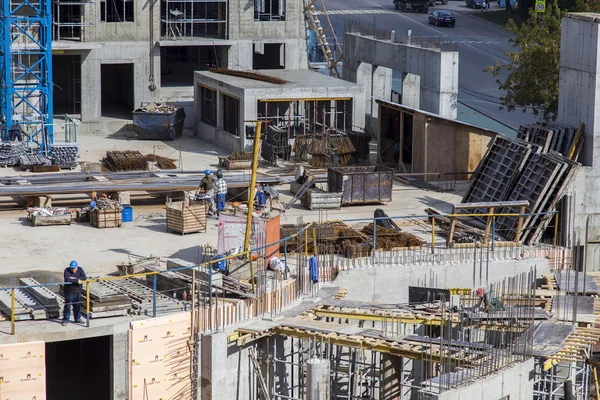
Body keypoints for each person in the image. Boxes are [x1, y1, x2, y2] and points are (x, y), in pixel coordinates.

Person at [62, 260, 87, 326]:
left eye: (74, 268)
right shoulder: (66, 270)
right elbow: (67, 279)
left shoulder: (80, 269)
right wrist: (77, 280)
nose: (73, 270)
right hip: (69, 292)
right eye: (72, 268)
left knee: (77, 305)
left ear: (77, 267)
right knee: (67, 306)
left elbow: (84, 277)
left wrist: (73, 279)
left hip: (78, 291)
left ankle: (77, 319)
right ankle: (65, 319)